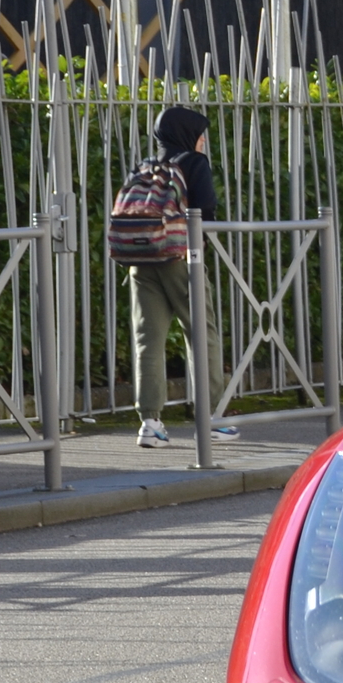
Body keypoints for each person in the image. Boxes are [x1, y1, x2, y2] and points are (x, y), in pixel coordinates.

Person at [131, 105, 239, 447]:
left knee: (148, 338)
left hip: (140, 258)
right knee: (200, 332)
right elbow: (204, 211)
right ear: (189, 135)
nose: (204, 141)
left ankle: (150, 423)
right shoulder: (193, 163)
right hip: (180, 257)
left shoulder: (145, 166)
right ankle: (212, 419)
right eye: (201, 135)